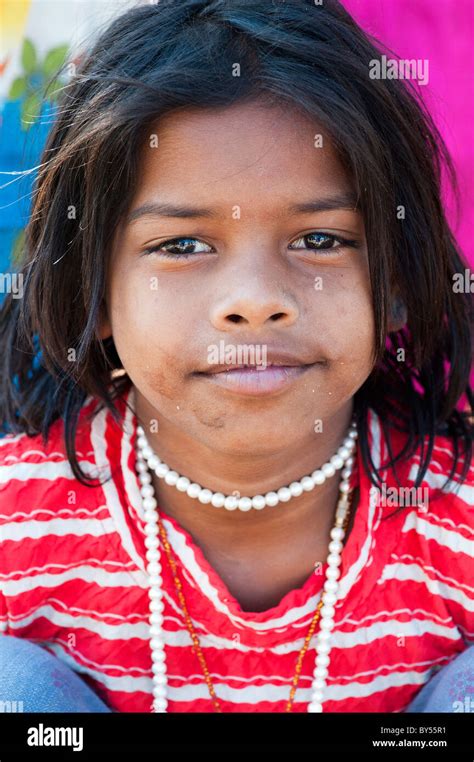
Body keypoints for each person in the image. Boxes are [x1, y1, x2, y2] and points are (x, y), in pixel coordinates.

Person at [0, 0, 472, 714]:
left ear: (399, 286)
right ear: (91, 294)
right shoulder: (16, 527)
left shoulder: (455, 523)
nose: (255, 301)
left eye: (320, 240)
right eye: (182, 246)